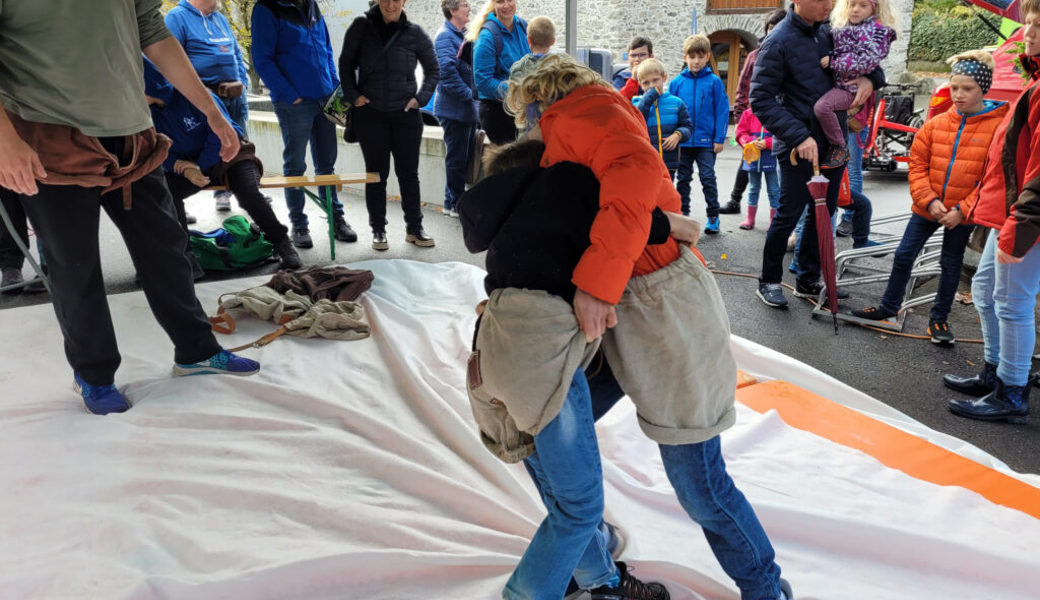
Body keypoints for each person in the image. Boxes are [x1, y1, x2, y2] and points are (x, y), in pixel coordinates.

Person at [501, 53, 792, 600]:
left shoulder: (586, 111)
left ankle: (766, 589)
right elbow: (597, 208)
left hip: (659, 303)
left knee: (699, 483)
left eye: (524, 108)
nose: (523, 120)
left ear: (537, 94)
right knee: (541, 431)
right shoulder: (581, 118)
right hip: (629, 304)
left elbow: (632, 178)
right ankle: (588, 550)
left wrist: (595, 286)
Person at [0, 0, 260, 415]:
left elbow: (152, 31)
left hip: (133, 133)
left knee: (168, 250)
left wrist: (211, 109)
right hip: (48, 137)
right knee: (75, 267)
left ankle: (196, 351)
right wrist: (5, 140)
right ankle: (94, 374)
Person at [460, 139, 693, 600]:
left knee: (564, 497)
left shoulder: (505, 216)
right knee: (580, 508)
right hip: (545, 367)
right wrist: (679, 225)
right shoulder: (562, 188)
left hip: (497, 359)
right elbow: (621, 222)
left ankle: (601, 581)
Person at [850, 51, 1006, 344]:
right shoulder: (935, 125)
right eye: (954, 87)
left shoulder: (998, 128)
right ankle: (888, 308)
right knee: (904, 255)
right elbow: (917, 165)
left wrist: (962, 210)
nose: (958, 94)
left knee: (950, 263)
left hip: (961, 214)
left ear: (983, 88)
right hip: (927, 208)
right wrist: (930, 201)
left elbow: (993, 177)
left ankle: (939, 320)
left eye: (967, 89)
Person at [750, 0, 884, 309]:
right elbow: (761, 99)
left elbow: (872, 63)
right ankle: (769, 280)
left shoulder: (834, 31)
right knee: (789, 214)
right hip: (798, 147)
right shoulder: (777, 41)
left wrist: (870, 79)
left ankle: (808, 280)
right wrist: (798, 136)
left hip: (834, 142)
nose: (829, 4)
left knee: (823, 211)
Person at [945, 2, 1040, 425]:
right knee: (986, 291)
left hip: (1023, 220)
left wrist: (1019, 228)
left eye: (1037, 26)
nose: (1028, 33)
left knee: (1012, 303)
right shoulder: (1034, 83)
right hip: (1011, 215)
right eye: (1030, 24)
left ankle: (1012, 390)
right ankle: (996, 372)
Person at [143, 59, 303, 274]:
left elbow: (222, 134)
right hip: (191, 165)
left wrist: (199, 166)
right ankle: (185, 256)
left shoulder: (194, 94)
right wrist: (179, 166)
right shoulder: (149, 112)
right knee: (166, 192)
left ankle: (282, 242)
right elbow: (156, 148)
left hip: (233, 154)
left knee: (248, 192)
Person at [251, 0, 358, 250]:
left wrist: (334, 90)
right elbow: (262, 60)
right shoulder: (268, 8)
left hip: (324, 99)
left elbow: (326, 51)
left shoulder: (312, 6)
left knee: (327, 165)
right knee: (295, 166)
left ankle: (336, 217)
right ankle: (299, 225)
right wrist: (290, 94)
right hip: (294, 103)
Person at [339, 0, 440, 251]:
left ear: (404, 1)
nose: (391, 4)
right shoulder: (360, 27)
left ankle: (414, 228)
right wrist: (354, 96)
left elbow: (433, 70)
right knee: (376, 175)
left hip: (405, 115)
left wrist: (420, 99)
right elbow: (345, 66)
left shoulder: (414, 33)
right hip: (370, 115)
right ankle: (378, 230)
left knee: (409, 174)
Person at [165, 0, 252, 213]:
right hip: (202, 103)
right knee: (203, 150)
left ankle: (246, 192)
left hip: (234, 99)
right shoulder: (177, 17)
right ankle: (180, 206)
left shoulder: (220, 18)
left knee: (237, 150)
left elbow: (236, 54)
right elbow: (172, 61)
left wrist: (242, 80)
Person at [813, 0, 896, 168]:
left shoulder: (871, 30)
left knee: (852, 172)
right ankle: (839, 146)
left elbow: (869, 63)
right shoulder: (838, 26)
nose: (856, 10)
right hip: (835, 96)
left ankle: (839, 146)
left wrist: (870, 79)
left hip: (847, 91)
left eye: (862, 5)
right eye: (852, 5)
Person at [722, 9, 787, 216]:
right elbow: (742, 90)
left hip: (779, 120)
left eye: (779, 28)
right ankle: (735, 200)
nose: (774, 32)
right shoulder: (754, 56)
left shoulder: (791, 55)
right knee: (748, 159)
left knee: (777, 172)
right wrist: (742, 120)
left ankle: (781, 212)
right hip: (754, 118)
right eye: (770, 28)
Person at [668, 34, 729, 233]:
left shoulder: (714, 82)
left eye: (700, 57)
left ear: (707, 57)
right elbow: (671, 112)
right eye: (692, 56)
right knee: (683, 179)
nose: (696, 61)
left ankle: (713, 216)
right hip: (683, 142)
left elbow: (721, 110)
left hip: (706, 142)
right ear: (685, 57)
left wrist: (719, 138)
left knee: (707, 177)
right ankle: (683, 215)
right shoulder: (676, 83)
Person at [434, 0, 478, 219]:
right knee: (457, 160)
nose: (469, 8)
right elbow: (447, 76)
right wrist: (472, 97)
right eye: (464, 5)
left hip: (466, 111)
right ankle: (456, 204)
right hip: (454, 111)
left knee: (462, 159)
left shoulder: (464, 35)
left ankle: (451, 203)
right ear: (453, 11)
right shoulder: (445, 37)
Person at [469, 0, 530, 145]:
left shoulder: (522, 26)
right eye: (500, 1)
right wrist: (517, 91)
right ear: (493, 5)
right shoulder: (487, 36)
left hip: (521, 108)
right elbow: (483, 82)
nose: (507, 5)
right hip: (498, 112)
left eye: (510, 0)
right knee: (508, 165)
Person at [632, 58, 691, 178]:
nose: (651, 86)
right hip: (645, 163)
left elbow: (687, 127)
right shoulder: (637, 103)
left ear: (664, 78)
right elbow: (637, 121)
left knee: (666, 195)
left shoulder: (676, 103)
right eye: (646, 83)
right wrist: (649, 97)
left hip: (669, 162)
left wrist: (677, 135)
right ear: (640, 84)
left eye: (655, 80)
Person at [734, 105, 780, 230]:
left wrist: (768, 143)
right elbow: (740, 133)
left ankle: (774, 220)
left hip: (772, 157)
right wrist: (750, 141)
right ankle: (750, 219)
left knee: (774, 190)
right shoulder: (748, 113)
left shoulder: (777, 112)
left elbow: (782, 135)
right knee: (753, 188)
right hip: (752, 157)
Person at [509, 15, 555, 130]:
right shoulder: (560, 66)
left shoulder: (518, 68)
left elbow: (515, 100)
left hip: (528, 129)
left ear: (528, 39)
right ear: (552, 41)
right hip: (554, 129)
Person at [613, 36, 654, 101]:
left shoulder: (656, 76)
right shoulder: (622, 78)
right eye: (633, 56)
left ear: (651, 57)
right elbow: (618, 101)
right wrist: (633, 79)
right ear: (628, 58)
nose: (637, 59)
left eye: (642, 55)